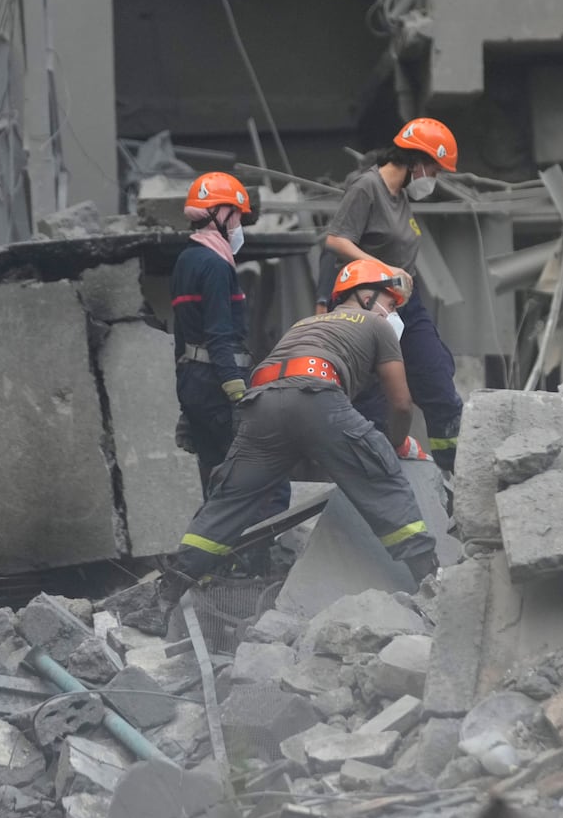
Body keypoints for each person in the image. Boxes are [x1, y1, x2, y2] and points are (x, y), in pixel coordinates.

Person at [151, 259, 439, 633]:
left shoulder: (304, 324)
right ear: (364, 295)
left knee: (226, 504)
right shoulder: (375, 325)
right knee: (381, 476)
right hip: (316, 394)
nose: (393, 310)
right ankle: (435, 583)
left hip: (260, 403)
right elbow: (400, 403)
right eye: (390, 301)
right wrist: (395, 444)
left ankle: (166, 593)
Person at [319, 118, 463, 472]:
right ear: (414, 160)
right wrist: (381, 270)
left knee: (438, 381)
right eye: (434, 168)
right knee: (375, 399)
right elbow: (335, 241)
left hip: (406, 304)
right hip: (371, 306)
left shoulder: (400, 197)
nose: (435, 178)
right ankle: (380, 471)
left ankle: (454, 470)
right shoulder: (368, 187)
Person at [169, 172, 289, 532]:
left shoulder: (186, 260)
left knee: (217, 483)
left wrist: (186, 401)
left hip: (195, 383)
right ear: (218, 213)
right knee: (264, 474)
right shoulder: (216, 265)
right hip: (219, 385)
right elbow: (220, 336)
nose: (240, 225)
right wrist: (239, 396)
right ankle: (259, 561)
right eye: (237, 215)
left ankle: (208, 565)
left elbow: (182, 334)